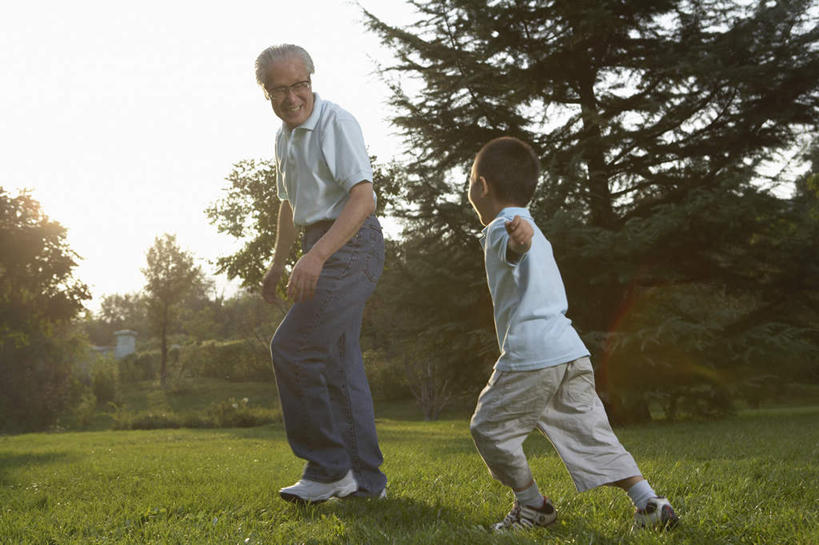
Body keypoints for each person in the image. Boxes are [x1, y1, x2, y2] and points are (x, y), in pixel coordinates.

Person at [466, 136, 678, 531]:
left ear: (482, 186)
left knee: (488, 429)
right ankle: (649, 502)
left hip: (532, 354)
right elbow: (518, 251)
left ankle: (533, 507)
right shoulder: (536, 231)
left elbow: (511, 249)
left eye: (470, 180)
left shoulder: (503, 227)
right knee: (589, 433)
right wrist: (520, 243)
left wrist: (516, 245)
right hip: (569, 351)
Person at [255, 44, 386, 503]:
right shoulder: (284, 138)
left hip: (351, 243)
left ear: (311, 81)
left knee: (293, 348)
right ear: (266, 93)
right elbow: (288, 204)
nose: (291, 98)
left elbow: (362, 198)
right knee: (338, 364)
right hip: (322, 243)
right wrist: (278, 262)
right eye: (279, 90)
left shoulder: (335, 122)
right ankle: (365, 483)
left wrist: (316, 257)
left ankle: (328, 469)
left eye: (299, 85)